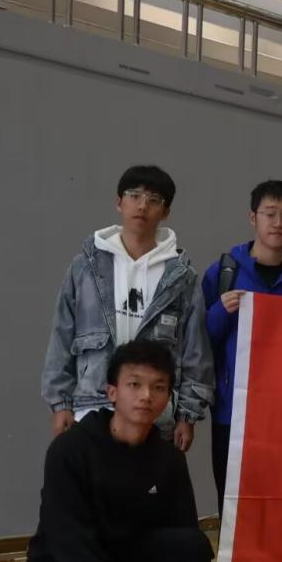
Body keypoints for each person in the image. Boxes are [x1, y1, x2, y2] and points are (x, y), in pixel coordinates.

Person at [21, 340, 214, 562]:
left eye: (158, 387)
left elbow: (188, 545)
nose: (146, 396)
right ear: (112, 392)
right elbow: (68, 546)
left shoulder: (169, 460)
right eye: (134, 384)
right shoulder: (70, 450)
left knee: (191, 545)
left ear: (168, 396)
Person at [41, 165, 213, 453]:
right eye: (134, 196)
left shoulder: (181, 277)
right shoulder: (86, 267)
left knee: (147, 483)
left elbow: (195, 350)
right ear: (119, 202)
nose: (142, 206)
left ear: (166, 211)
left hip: (155, 415)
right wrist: (61, 403)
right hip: (92, 406)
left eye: (154, 200)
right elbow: (62, 334)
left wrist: (187, 415)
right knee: (91, 481)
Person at [201, 180, 282, 512]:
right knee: (232, 499)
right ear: (252, 217)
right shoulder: (224, 272)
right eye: (270, 213)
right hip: (233, 409)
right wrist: (220, 311)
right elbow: (202, 339)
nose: (278, 223)